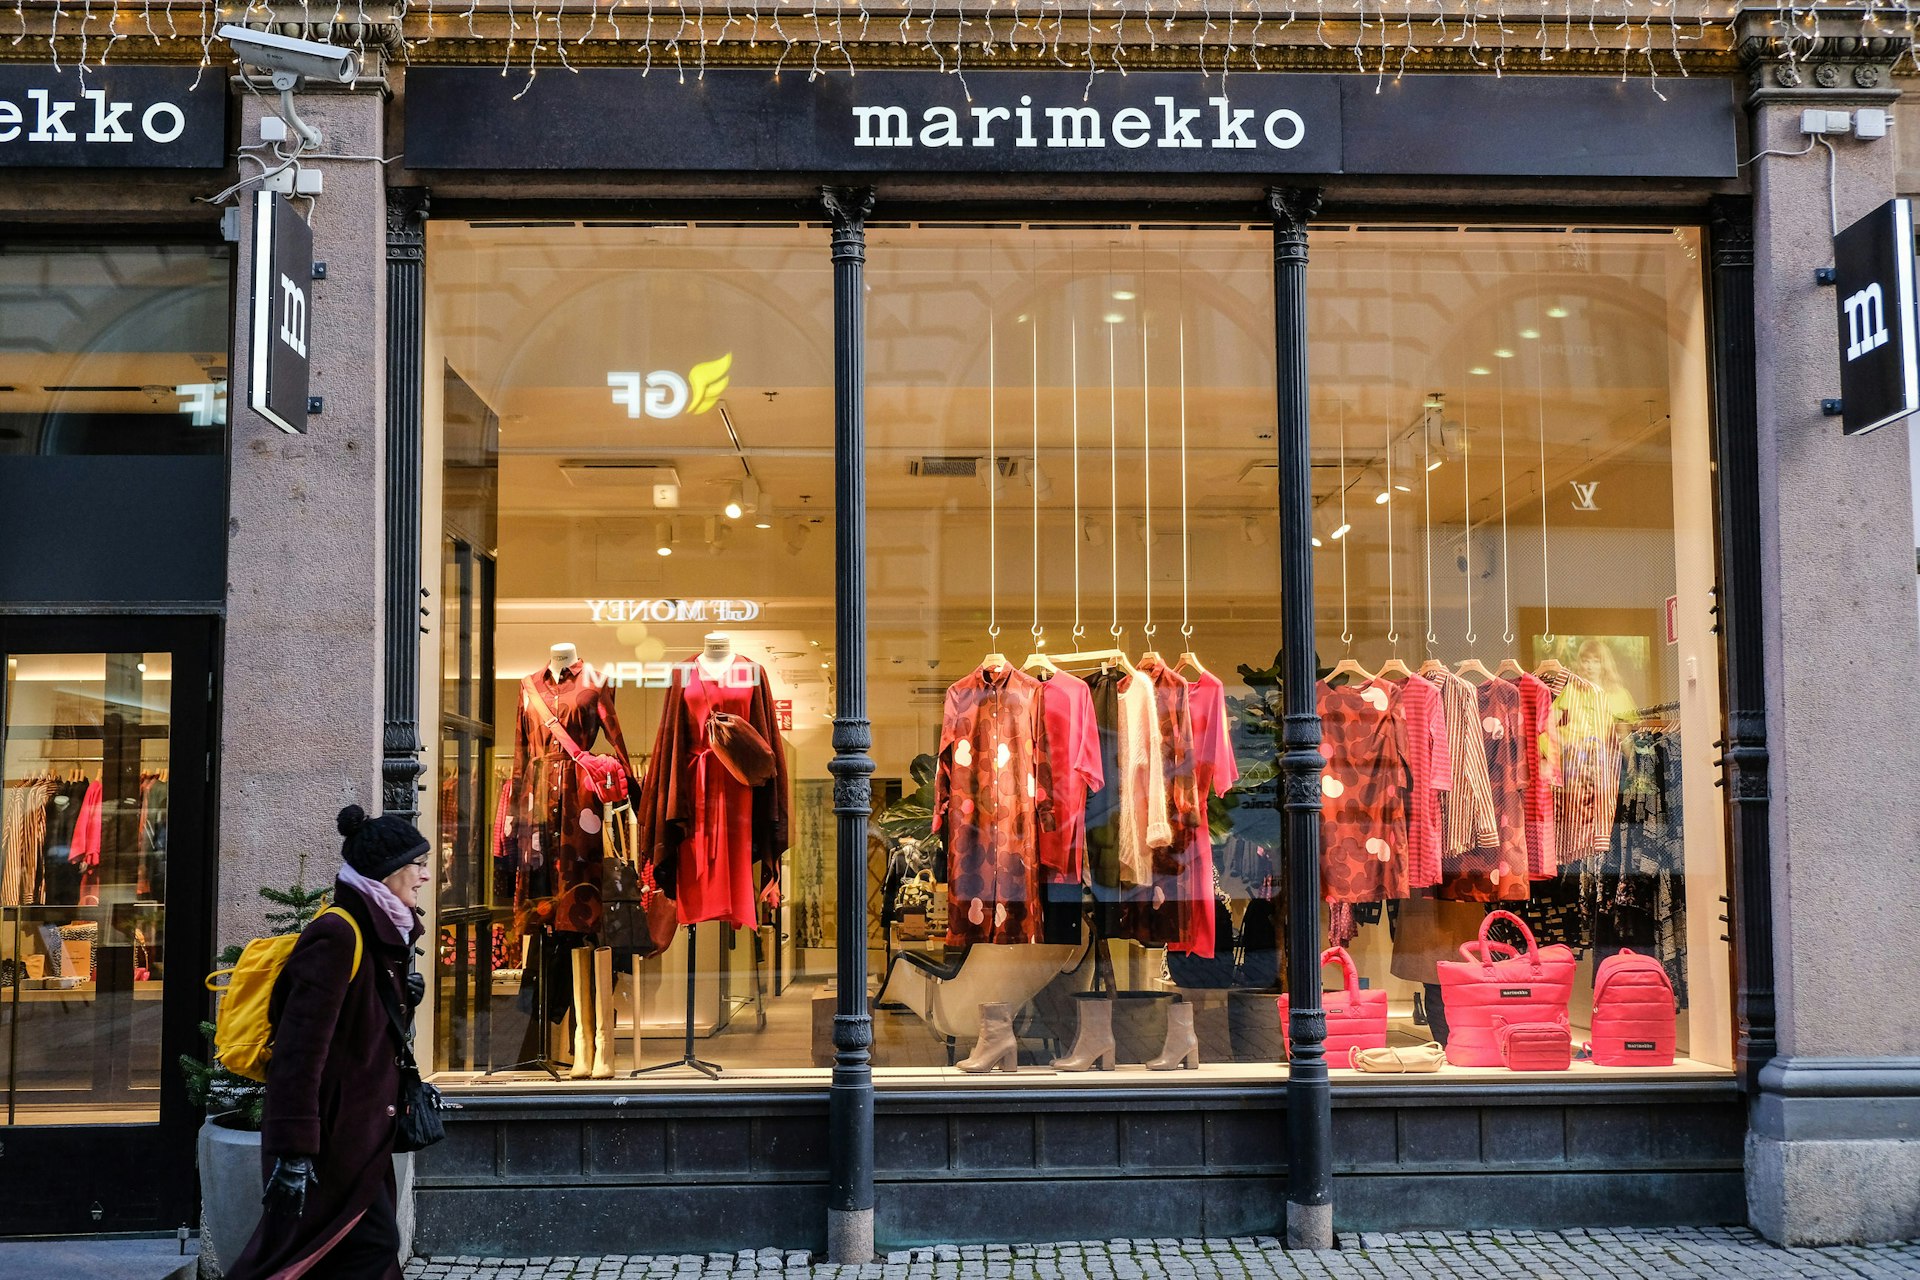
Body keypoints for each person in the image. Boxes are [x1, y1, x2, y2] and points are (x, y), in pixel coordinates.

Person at [225, 805, 431, 1280]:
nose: (423, 877)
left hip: (362, 1132)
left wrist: (404, 999)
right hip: (330, 1142)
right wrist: (294, 1152)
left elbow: (360, 1030)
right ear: (388, 873)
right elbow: (299, 1054)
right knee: (354, 1250)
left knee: (348, 1254)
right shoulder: (337, 934)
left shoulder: (380, 929)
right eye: (416, 866)